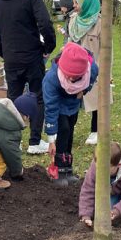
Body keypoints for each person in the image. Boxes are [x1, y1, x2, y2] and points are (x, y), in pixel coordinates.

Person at [0, 0, 56, 155]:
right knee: (38, 97)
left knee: (13, 98)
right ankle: (34, 141)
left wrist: (1, 50)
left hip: (10, 57)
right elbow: (45, 23)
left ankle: (14, 141)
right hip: (32, 55)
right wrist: (48, 47)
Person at [43, 42, 98, 186]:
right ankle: (59, 170)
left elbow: (92, 80)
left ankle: (68, 169)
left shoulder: (91, 68)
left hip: (73, 103)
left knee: (70, 132)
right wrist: (51, 139)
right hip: (59, 104)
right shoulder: (52, 78)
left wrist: (84, 91)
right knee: (63, 130)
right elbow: (51, 108)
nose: (73, 80)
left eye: (77, 77)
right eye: (70, 77)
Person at [67, 0, 109, 146]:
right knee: (71, 98)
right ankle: (68, 128)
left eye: (77, 3)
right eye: (74, 2)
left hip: (94, 67)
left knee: (96, 100)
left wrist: (107, 72)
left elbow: (107, 50)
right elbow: (69, 41)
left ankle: (95, 131)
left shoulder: (100, 23)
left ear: (87, 4)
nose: (74, 6)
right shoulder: (73, 19)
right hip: (73, 66)